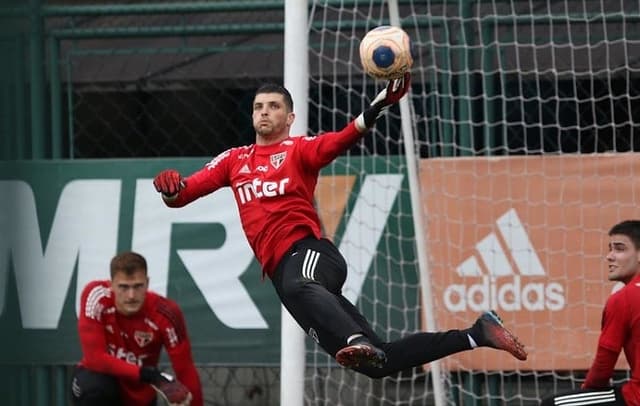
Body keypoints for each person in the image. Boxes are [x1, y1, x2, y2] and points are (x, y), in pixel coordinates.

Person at [153, 74, 528, 378]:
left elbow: (338, 142)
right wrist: (169, 186)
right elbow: (183, 193)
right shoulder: (234, 160)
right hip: (289, 282)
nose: (264, 112)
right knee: (382, 363)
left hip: (311, 255)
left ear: (289, 118)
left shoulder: (298, 150)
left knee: (302, 286)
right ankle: (476, 334)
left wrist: (376, 107)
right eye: (258, 107)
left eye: (274, 107)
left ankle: (356, 338)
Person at [71, 251, 202, 406]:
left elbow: (185, 370)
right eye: (123, 287)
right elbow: (95, 359)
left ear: (147, 283)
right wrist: (148, 375)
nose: (131, 295)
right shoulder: (96, 296)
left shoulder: (167, 313)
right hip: (99, 386)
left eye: (138, 286)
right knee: (94, 389)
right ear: (111, 284)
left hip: (141, 397)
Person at [541, 220, 640, 405]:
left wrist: (583, 394)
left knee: (553, 404)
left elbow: (604, 365)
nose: (609, 256)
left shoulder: (624, 298)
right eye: (610, 249)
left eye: (619, 249)